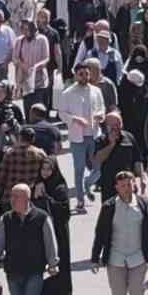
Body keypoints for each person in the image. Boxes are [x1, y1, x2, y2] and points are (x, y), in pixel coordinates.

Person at [58, 61, 107, 212]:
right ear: (75, 75)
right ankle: (80, 200)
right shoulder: (68, 93)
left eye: (87, 74)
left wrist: (100, 116)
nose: (85, 77)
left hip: (94, 134)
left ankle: (88, 183)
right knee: (78, 168)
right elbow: (62, 113)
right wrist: (74, 119)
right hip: (77, 136)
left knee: (98, 168)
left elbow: (101, 108)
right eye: (81, 74)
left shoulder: (95, 91)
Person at [35, 158, 76, 295]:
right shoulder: (38, 184)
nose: (45, 173)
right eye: (43, 169)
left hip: (59, 232)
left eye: (48, 169)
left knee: (59, 265)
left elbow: (63, 210)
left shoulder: (59, 188)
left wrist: (46, 197)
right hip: (41, 232)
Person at [93, 111, 143, 201]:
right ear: (106, 126)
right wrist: (111, 145)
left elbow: (137, 160)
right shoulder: (100, 141)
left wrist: (142, 179)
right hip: (109, 188)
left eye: (118, 124)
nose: (116, 127)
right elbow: (98, 159)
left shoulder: (129, 137)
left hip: (128, 186)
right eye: (112, 125)